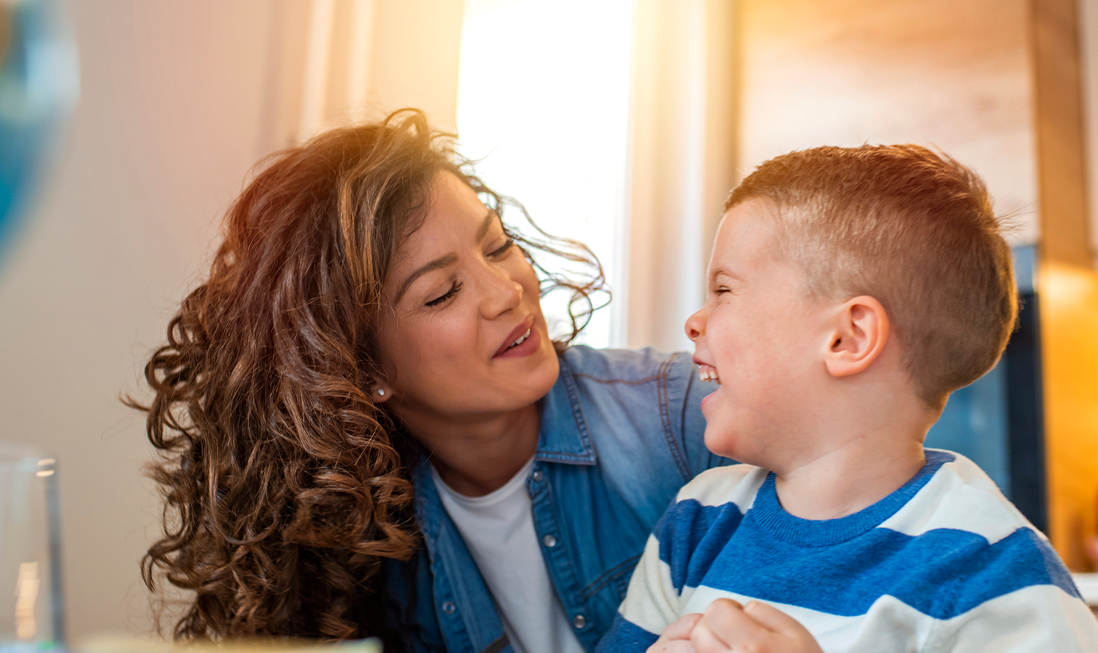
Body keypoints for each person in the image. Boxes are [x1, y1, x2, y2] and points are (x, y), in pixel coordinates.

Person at [131, 109, 731, 653]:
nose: (508, 293)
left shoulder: (686, 417)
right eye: (441, 293)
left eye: (497, 248)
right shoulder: (360, 539)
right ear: (361, 371)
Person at [597, 146, 1098, 653]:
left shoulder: (992, 570)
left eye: (724, 290)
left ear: (848, 338)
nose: (695, 321)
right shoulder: (699, 518)